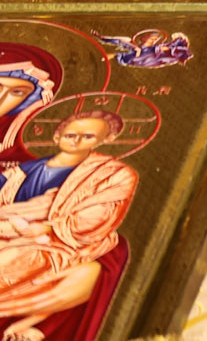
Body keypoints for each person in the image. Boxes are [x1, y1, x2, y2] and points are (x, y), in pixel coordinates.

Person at [0, 110, 137, 341]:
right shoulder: (20, 172)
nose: (77, 140)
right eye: (71, 134)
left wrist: (47, 228)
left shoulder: (114, 175)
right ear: (57, 135)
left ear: (105, 139)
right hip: (10, 231)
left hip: (58, 243)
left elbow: (96, 218)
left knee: (8, 260)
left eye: (88, 136)